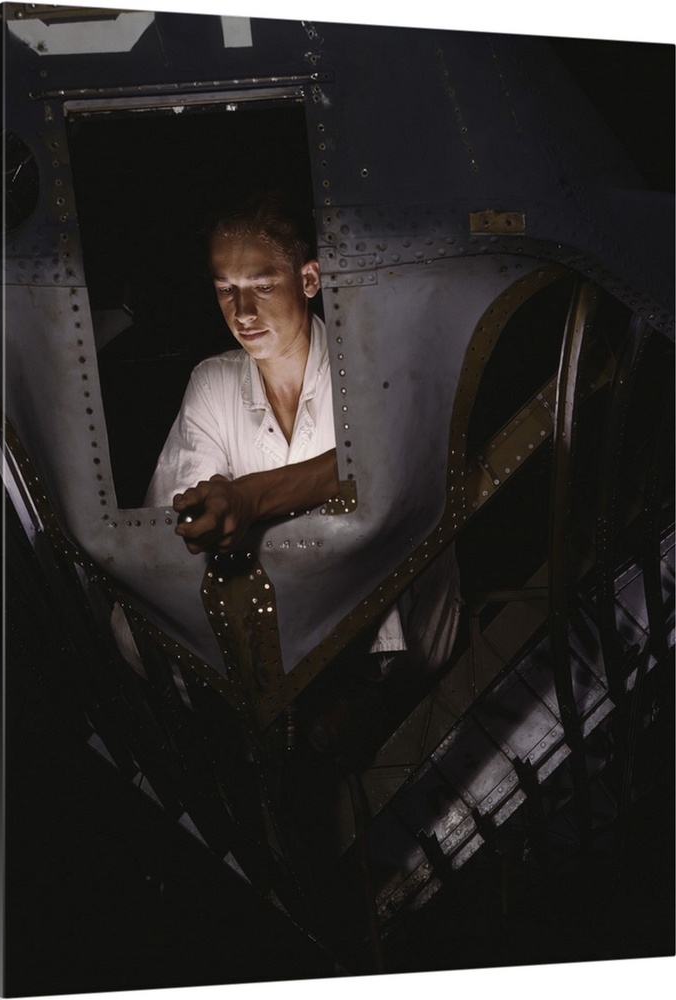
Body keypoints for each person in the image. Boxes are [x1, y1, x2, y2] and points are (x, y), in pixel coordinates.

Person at [141, 191, 461, 752]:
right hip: (271, 659)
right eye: (225, 290)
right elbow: (179, 507)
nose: (242, 312)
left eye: (263, 286)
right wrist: (209, 505)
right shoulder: (212, 384)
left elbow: (382, 465)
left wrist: (248, 500)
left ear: (309, 279)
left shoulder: (370, 361)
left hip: (387, 646)